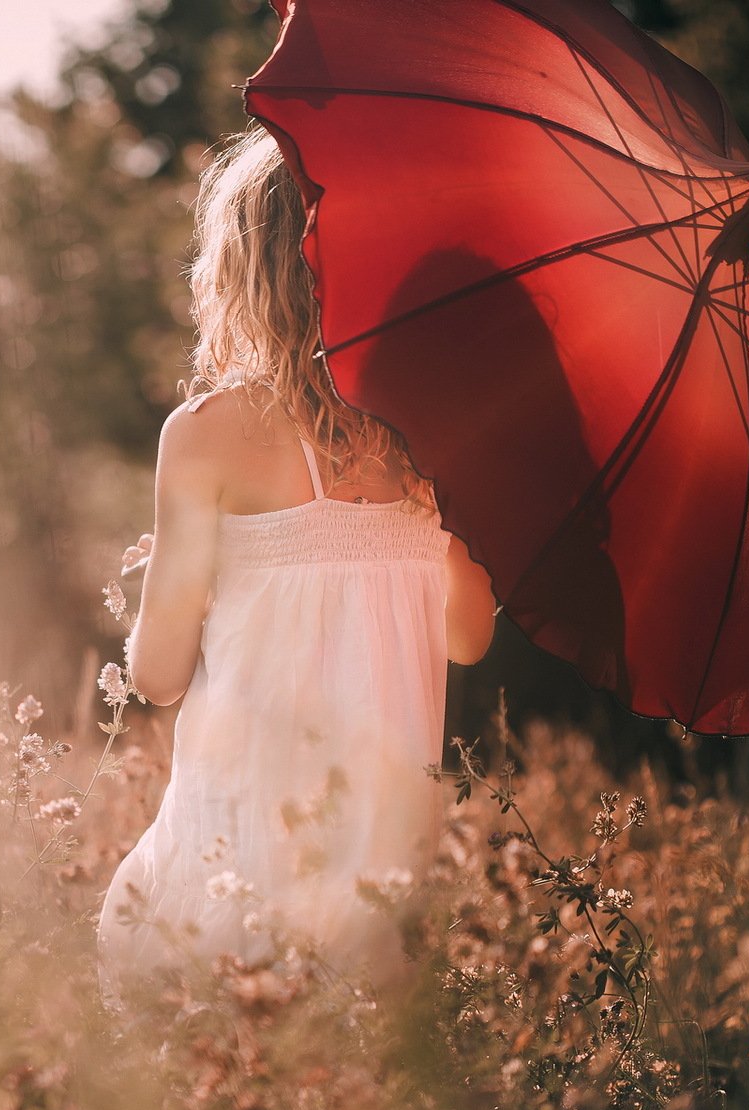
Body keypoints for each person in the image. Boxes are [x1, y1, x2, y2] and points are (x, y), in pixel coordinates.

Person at [97, 128, 498, 1000]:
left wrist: (166, 583)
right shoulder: (435, 440)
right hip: (377, 883)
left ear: (243, 271)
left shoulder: (205, 438)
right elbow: (468, 639)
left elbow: (159, 675)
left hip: (233, 858)